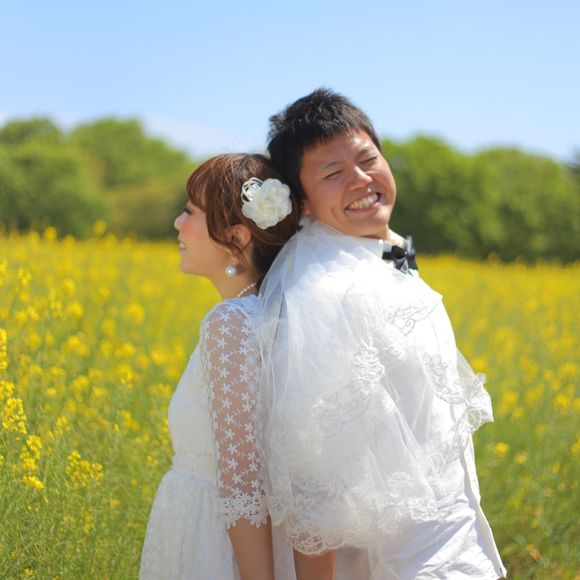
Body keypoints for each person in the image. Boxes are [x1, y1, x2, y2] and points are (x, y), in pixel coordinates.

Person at [256, 89, 508, 579]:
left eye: (368, 159)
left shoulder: (382, 249)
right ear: (301, 202)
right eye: (333, 173)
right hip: (403, 563)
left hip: (455, 540)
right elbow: (315, 480)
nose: (361, 179)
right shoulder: (323, 292)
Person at [139, 153, 301, 580]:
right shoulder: (269, 315)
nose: (178, 223)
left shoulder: (231, 323)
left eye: (190, 212)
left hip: (215, 547)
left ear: (236, 237)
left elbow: (243, 486)